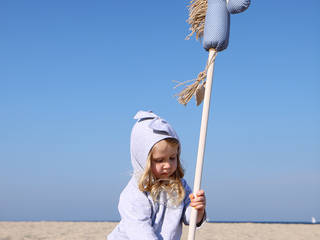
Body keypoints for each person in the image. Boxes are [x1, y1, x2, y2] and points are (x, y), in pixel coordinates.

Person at [107, 110, 206, 240]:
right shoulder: (135, 192)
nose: (168, 165)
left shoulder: (179, 185)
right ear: (143, 160)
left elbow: (189, 218)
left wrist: (197, 210)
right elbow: (139, 230)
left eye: (172, 157)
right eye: (159, 160)